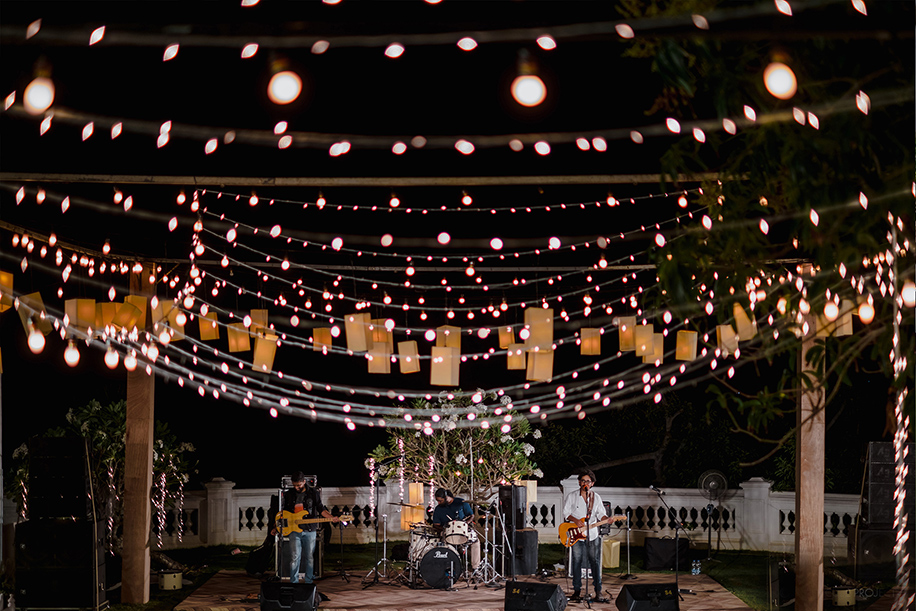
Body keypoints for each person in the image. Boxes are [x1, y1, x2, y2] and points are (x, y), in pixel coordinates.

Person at [270, 471, 339, 584]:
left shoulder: (313, 493)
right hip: (294, 530)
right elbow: (283, 513)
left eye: (299, 485)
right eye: (294, 485)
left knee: (309, 557)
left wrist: (331, 518)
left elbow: (321, 509)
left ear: (304, 482)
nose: (296, 487)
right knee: (294, 557)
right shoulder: (289, 494)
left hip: (309, 529)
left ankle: (308, 582)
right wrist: (275, 527)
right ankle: (294, 582)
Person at [562, 470, 608, 603]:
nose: (585, 483)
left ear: (592, 483)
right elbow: (566, 513)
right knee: (576, 561)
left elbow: (601, 514)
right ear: (579, 482)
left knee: (595, 561)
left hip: (592, 534)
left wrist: (607, 519)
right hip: (576, 534)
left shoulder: (596, 497)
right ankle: (577, 590)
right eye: (583, 481)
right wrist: (575, 520)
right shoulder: (572, 496)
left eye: (588, 481)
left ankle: (598, 591)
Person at [431, 488, 480, 569]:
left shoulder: (461, 503)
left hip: (462, 530)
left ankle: (476, 568)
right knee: (442, 543)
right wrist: (444, 529)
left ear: (447, 497)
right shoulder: (438, 509)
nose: (438, 503)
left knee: (475, 541)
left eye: (440, 500)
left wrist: (466, 523)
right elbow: (436, 525)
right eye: (437, 501)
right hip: (447, 532)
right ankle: (449, 567)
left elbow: (471, 515)